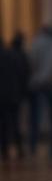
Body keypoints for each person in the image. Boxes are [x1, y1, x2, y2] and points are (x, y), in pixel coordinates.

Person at [27, 23, 52, 161]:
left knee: (36, 118)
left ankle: (32, 146)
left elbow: (32, 63)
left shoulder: (36, 43)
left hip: (38, 85)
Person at [0, 32, 29, 162]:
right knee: (15, 122)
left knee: (3, 124)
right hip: (13, 95)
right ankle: (19, 148)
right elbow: (23, 74)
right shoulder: (13, 55)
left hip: (3, 96)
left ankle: (5, 150)